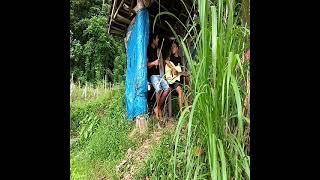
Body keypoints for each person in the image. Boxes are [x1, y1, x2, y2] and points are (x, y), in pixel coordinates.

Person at [125, 0, 151, 133]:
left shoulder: (136, 32)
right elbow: (145, 64)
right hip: (148, 77)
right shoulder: (138, 31)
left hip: (150, 75)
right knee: (139, 83)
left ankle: (137, 113)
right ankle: (139, 116)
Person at [147, 33, 170, 120]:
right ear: (153, 40)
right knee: (159, 89)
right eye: (157, 39)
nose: (158, 40)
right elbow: (146, 65)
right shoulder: (148, 50)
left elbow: (161, 66)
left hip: (159, 75)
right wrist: (153, 63)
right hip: (152, 75)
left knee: (167, 89)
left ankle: (157, 107)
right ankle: (158, 109)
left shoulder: (158, 51)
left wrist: (160, 62)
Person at [165, 41, 189, 115]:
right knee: (180, 91)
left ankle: (188, 111)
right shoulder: (171, 57)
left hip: (179, 80)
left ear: (178, 48)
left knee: (185, 96)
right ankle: (182, 113)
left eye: (174, 46)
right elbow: (166, 61)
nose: (173, 48)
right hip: (174, 81)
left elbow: (180, 71)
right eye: (172, 47)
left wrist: (186, 74)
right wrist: (173, 68)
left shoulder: (180, 58)